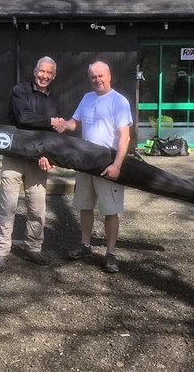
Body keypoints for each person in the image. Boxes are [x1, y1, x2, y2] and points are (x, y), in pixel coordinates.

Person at [0, 56, 66, 273]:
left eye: (49, 73)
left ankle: (33, 247)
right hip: (14, 157)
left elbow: (50, 135)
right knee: (8, 207)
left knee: (37, 209)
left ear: (54, 76)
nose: (44, 76)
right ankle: (1, 252)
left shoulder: (54, 101)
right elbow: (23, 118)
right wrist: (51, 121)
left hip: (37, 162)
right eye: (41, 71)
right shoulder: (20, 90)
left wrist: (46, 154)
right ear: (35, 71)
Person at [60, 61, 133, 273]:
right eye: (93, 76)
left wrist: (117, 165)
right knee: (85, 206)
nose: (97, 80)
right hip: (85, 164)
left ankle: (111, 253)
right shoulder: (87, 98)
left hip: (107, 164)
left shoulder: (119, 101)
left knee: (110, 211)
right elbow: (75, 122)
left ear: (109, 76)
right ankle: (85, 245)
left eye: (101, 75)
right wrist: (63, 125)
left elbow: (124, 137)